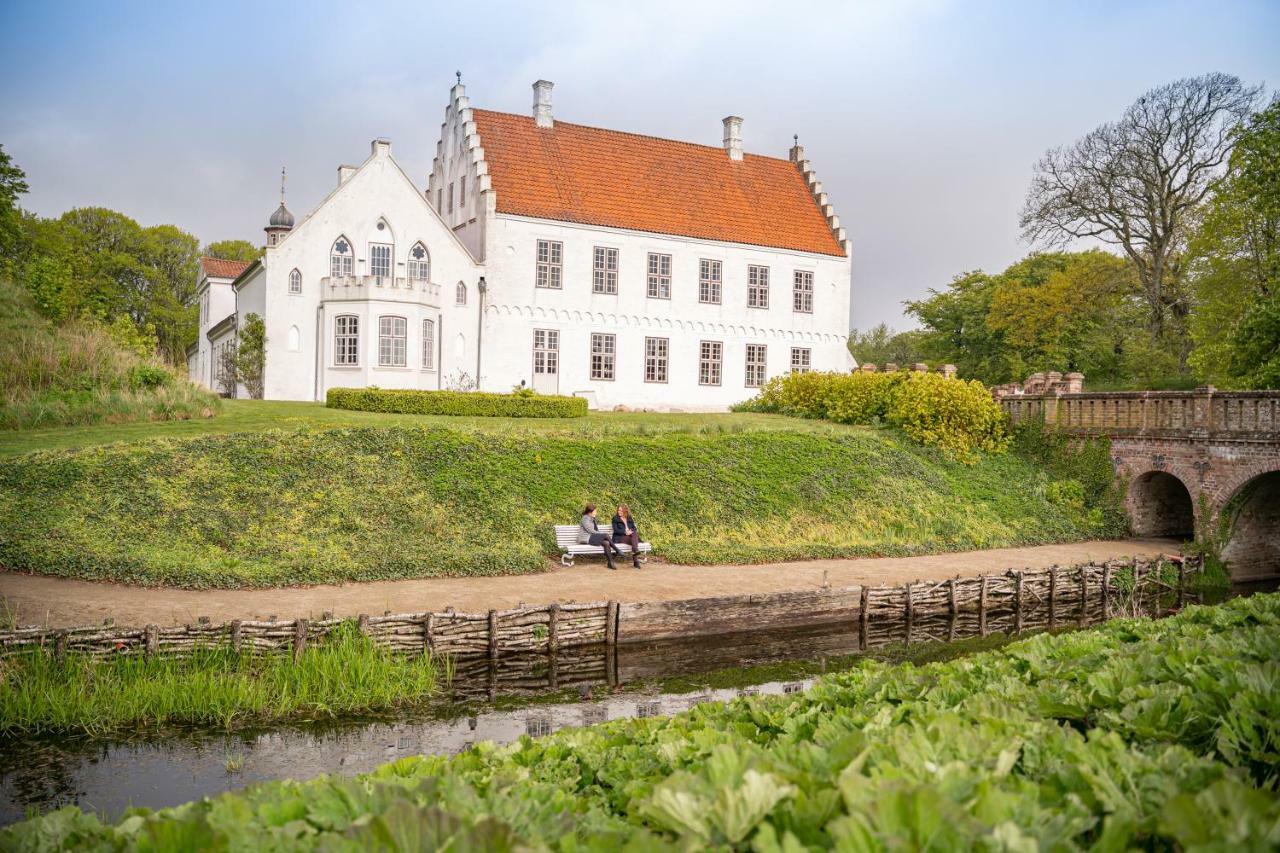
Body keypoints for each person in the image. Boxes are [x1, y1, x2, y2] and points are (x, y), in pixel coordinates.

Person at [578, 503, 624, 570]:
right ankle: (617, 550)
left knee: (606, 543)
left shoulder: (592, 518)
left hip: (591, 537)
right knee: (605, 535)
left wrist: (600, 533)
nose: (596, 512)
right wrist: (601, 534)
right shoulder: (585, 518)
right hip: (585, 538)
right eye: (595, 511)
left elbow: (595, 530)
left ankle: (610, 563)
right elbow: (590, 530)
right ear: (590, 512)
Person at [612, 504, 642, 569]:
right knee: (634, 539)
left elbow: (634, 528)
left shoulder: (629, 518)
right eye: (618, 510)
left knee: (634, 534)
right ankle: (636, 559)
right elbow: (615, 530)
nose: (619, 512)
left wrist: (630, 531)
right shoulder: (615, 518)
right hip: (619, 537)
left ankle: (635, 550)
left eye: (621, 510)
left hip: (630, 536)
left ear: (625, 511)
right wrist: (625, 532)